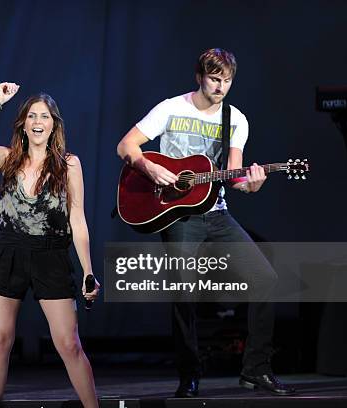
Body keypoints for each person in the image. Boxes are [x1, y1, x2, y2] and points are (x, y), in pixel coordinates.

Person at [116, 48, 296, 397]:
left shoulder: (236, 119)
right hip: (178, 213)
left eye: (227, 80)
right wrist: (150, 168)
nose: (221, 87)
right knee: (184, 292)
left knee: (266, 279)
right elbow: (126, 146)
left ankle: (255, 369)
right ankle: (189, 375)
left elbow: (236, 176)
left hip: (217, 213)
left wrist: (253, 182)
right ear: (200, 76)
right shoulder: (170, 108)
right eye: (215, 79)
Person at [0, 83, 100, 407]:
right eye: (32, 116)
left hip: (51, 256)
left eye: (44, 116)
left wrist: (87, 271)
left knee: (69, 344)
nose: (38, 121)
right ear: (24, 124)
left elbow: (78, 219)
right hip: (9, 252)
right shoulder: (9, 159)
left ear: (53, 124)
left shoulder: (69, 164)